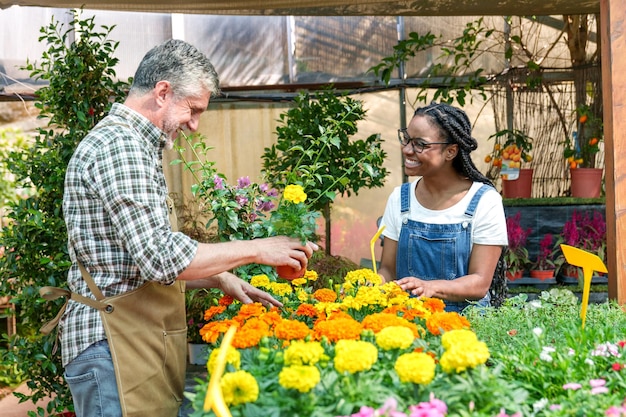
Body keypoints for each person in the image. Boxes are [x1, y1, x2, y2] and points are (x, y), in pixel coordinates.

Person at [58, 39, 317, 417]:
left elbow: (136, 259)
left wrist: (219, 277)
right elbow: (161, 258)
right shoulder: (121, 147)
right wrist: (260, 248)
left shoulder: (134, 146)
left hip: (129, 340)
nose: (195, 125)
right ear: (163, 92)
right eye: (193, 109)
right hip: (111, 346)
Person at [377, 102, 507, 313]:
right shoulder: (400, 199)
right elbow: (388, 270)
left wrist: (431, 287)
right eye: (406, 139)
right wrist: (369, 285)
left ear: (450, 151)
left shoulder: (484, 201)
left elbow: (480, 283)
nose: (407, 150)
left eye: (420, 144)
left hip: (467, 326)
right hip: (409, 322)